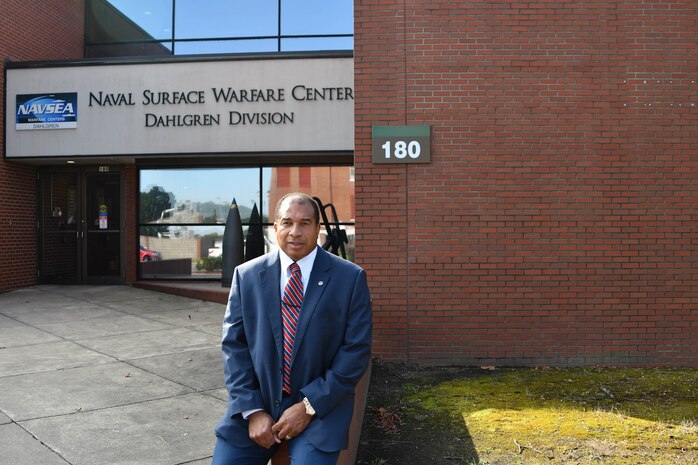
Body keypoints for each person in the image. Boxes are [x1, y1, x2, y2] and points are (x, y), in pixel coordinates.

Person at [211, 192, 372, 465]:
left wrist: (309, 407)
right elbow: (234, 347)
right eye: (287, 222)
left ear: (317, 229)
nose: (295, 232)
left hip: (321, 410)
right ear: (275, 228)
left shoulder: (350, 278)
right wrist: (252, 410)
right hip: (257, 405)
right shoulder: (247, 275)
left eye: (305, 223)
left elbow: (355, 351)